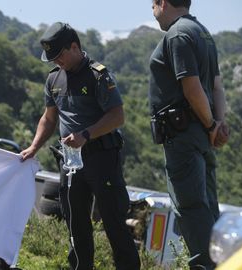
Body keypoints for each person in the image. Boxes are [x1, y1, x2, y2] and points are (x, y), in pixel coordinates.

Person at [21, 22, 140, 270]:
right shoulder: (53, 79)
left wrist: (86, 134)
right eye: (52, 58)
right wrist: (33, 147)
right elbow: (48, 118)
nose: (56, 62)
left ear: (74, 47)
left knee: (113, 222)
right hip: (71, 161)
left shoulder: (98, 75)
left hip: (102, 157)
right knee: (76, 224)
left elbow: (117, 116)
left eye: (60, 56)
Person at [148, 0, 230, 269]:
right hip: (201, 136)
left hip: (184, 136)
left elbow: (192, 87)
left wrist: (210, 125)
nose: (152, 10)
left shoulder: (178, 34)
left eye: (153, 4)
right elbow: (217, 86)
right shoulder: (202, 33)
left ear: (163, 3)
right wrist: (218, 124)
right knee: (207, 208)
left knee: (192, 208)